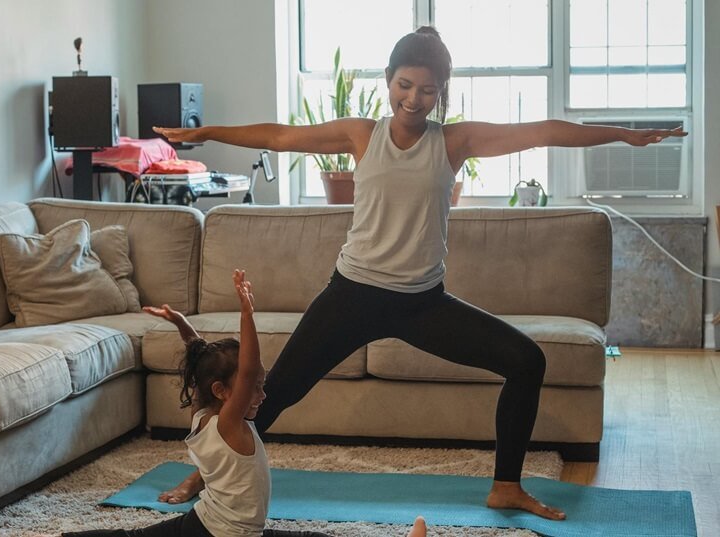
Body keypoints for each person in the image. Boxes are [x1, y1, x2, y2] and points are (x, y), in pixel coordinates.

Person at [153, 27, 687, 522]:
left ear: (442, 93)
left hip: (422, 302)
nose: (413, 99)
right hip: (353, 294)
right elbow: (279, 136)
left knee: (527, 360)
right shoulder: (361, 134)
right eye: (404, 85)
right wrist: (206, 131)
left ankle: (506, 484)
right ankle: (205, 473)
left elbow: (542, 131)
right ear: (388, 81)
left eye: (428, 91)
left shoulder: (455, 142)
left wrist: (620, 133)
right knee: (276, 390)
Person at [62, 270, 428, 537]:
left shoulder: (203, 414)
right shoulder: (229, 424)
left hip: (207, 523)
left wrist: (181, 322)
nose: (262, 395)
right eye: (253, 388)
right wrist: (247, 314)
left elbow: (198, 354)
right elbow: (248, 364)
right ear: (223, 392)